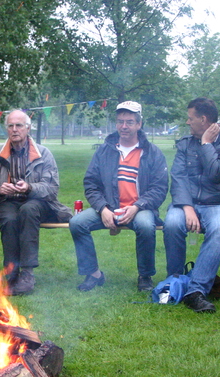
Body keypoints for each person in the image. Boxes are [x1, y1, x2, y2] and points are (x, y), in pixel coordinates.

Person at [69, 101, 168, 292]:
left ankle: (145, 276)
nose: (124, 126)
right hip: (108, 207)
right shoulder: (105, 150)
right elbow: (90, 183)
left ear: (139, 124)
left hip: (140, 209)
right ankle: (94, 274)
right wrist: (102, 208)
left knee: (147, 226)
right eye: (120, 121)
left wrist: (138, 206)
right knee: (77, 223)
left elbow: (159, 188)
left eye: (130, 122)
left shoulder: (152, 152)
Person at [163, 97, 220, 313]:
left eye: (191, 118)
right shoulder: (185, 143)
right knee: (171, 223)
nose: (187, 123)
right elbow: (178, 177)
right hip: (186, 203)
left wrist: (207, 144)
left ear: (203, 119)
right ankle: (175, 281)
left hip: (218, 203)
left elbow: (217, 173)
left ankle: (195, 291)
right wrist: (187, 207)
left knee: (219, 229)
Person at [0, 110, 72, 296]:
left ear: (28, 128)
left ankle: (27, 273)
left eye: (19, 125)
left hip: (38, 202)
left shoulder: (44, 154)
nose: (15, 130)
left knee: (28, 209)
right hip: (7, 201)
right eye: (11, 126)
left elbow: (51, 189)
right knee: (8, 216)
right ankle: (11, 273)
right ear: (6, 128)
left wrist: (29, 187)